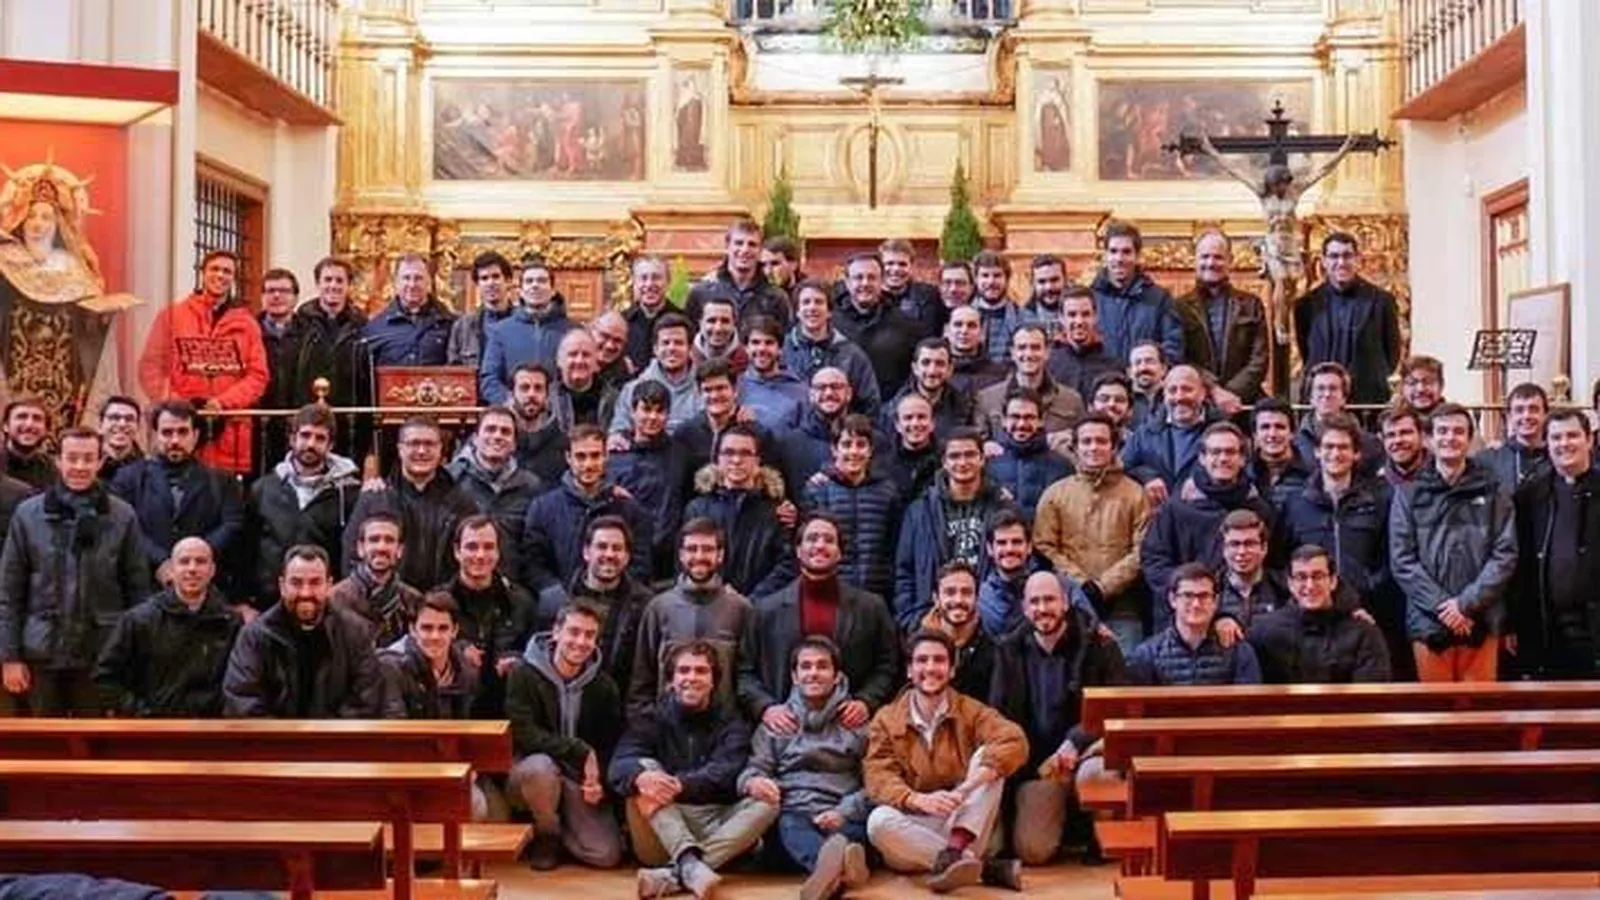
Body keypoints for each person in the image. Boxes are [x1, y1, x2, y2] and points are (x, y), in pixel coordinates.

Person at [610, 640, 778, 899]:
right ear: (671, 680)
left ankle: (680, 871)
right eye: (684, 670)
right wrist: (642, 777)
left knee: (769, 801)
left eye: (701, 671)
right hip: (660, 828)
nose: (692, 677)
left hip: (713, 826)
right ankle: (689, 864)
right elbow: (618, 765)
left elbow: (726, 773)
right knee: (643, 771)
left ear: (713, 681)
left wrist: (679, 784)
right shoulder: (649, 718)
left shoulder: (732, 724)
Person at [863, 630, 1029, 892]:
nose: (930, 668)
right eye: (922, 660)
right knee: (878, 821)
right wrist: (917, 800)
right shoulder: (886, 719)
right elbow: (877, 775)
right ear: (909, 670)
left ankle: (956, 851)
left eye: (939, 660)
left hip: (965, 821)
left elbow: (1014, 740)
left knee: (990, 759)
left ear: (951, 670)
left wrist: (963, 790)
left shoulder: (971, 710)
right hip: (911, 834)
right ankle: (982, 868)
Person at [0, 427, 148, 715]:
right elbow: (9, 593)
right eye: (72, 458)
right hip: (41, 652)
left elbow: (137, 590)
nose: (80, 466)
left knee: (96, 739)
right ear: (58, 461)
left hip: (101, 652)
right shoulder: (28, 514)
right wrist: (10, 657)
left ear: (100, 461)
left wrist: (134, 654)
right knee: (44, 739)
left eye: (88, 458)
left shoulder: (122, 515)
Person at [989, 571, 1125, 868]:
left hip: (1087, 751)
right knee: (1033, 851)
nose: (1042, 608)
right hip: (1042, 765)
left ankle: (1102, 839)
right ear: (1025, 608)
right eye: (1034, 602)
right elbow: (1000, 714)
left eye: (1049, 600)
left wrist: (1075, 741)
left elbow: (1115, 706)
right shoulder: (1009, 650)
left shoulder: (1101, 644)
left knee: (1098, 773)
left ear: (1065, 602)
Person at [738, 514, 901, 735]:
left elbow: (888, 665)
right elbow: (744, 671)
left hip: (849, 734)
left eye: (829, 540)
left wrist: (866, 701)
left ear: (840, 552)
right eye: (812, 538)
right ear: (798, 550)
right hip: (784, 734)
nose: (820, 545)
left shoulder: (871, 608)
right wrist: (766, 708)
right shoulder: (765, 611)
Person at [1390, 402, 1517, 683]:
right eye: (1442, 431)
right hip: (1428, 620)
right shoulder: (1408, 494)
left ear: (1469, 439)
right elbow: (1402, 560)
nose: (1450, 438)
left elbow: (1505, 554)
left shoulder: (1494, 490)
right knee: (1436, 708)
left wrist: (1465, 604)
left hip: (1481, 617)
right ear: (1428, 439)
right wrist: (1442, 606)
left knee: (1479, 708)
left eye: (1458, 431)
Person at [738, 636, 873, 899]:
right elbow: (753, 769)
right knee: (788, 827)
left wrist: (844, 811)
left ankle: (829, 872)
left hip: (843, 812)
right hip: (793, 814)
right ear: (794, 676)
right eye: (806, 666)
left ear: (837, 675)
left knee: (860, 830)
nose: (813, 673)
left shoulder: (856, 723)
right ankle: (838, 868)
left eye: (822, 666)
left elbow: (876, 782)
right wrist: (752, 782)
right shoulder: (777, 722)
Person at [503, 601, 626, 870]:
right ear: (556, 632)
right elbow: (524, 733)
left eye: (589, 635)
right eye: (574, 632)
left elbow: (610, 743)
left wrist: (598, 782)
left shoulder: (604, 685)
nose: (580, 642)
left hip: (576, 775)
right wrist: (579, 749)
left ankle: (562, 825)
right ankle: (547, 834)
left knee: (605, 855)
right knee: (541, 768)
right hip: (530, 769)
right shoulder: (523, 673)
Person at [137, 250, 270, 474]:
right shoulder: (172, 316)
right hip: (180, 430)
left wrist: (223, 403)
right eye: (214, 269)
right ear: (202, 273)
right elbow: (150, 367)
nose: (220, 275)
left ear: (233, 278)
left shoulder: (247, 324)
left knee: (224, 491)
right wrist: (176, 404)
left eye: (227, 271)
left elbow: (258, 376)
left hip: (230, 434)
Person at [1034, 413, 1151, 653]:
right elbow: (1044, 545)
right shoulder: (1056, 494)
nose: (1093, 448)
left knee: (1124, 671)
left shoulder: (1135, 494)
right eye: (1086, 442)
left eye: (1101, 441)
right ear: (1075, 448)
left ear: (1114, 447)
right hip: (1070, 604)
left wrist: (1104, 586)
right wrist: (1080, 582)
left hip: (1123, 606)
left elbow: (1143, 548)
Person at [222, 544, 384, 717]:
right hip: (270, 734)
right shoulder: (255, 636)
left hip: (336, 733)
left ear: (329, 585)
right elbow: (243, 701)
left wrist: (327, 733)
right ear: (282, 586)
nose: (305, 593)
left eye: (315, 583)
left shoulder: (355, 632)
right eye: (296, 583)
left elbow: (365, 700)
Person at [1141, 422, 1275, 628]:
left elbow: (1274, 562)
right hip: (1186, 619)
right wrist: (1189, 592)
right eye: (1215, 452)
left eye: (1230, 452)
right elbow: (1154, 561)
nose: (1223, 458)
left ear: (1242, 459)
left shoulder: (1260, 509)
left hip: (1249, 618)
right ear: (1202, 458)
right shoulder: (1176, 508)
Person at [93, 537, 240, 716]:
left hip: (211, 726)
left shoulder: (231, 622)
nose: (192, 569)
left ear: (212, 570)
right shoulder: (138, 620)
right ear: (171, 569)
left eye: (201, 561)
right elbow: (105, 678)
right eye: (184, 561)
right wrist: (140, 712)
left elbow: (238, 683)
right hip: (150, 726)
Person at [1276, 415, 1395, 634]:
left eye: (1343, 447)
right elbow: (1280, 560)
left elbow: (1387, 561)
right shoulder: (1295, 503)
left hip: (1364, 614)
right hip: (1307, 616)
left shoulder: (1378, 500)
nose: (1335, 454)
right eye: (1329, 447)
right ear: (1317, 452)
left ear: (1356, 454)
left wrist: (1360, 597)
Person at [110, 399, 243, 589]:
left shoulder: (222, 481)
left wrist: (193, 559)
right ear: (155, 435)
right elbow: (123, 526)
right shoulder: (128, 478)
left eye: (182, 432)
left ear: (195, 435)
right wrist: (161, 561)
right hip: (145, 585)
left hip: (206, 587)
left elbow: (232, 524)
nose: (175, 441)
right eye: (167, 432)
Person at [894, 428, 1018, 629]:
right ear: (944, 462)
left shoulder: (1003, 507)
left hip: (991, 623)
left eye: (970, 455)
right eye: (954, 456)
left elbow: (1019, 564)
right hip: (933, 622)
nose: (962, 462)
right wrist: (912, 620)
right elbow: (904, 572)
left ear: (982, 459)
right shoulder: (920, 511)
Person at [628, 518, 753, 714]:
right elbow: (641, 679)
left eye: (707, 549)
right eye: (692, 549)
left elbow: (748, 675)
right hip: (666, 724)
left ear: (720, 555)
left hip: (724, 725)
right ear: (681, 555)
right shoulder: (659, 608)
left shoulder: (740, 608)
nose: (699, 556)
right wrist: (645, 721)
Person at [1511, 409, 1600, 678]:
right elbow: (1518, 563)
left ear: (1589, 440)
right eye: (1556, 437)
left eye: (1572, 435)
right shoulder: (1530, 494)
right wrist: (1511, 622)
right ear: (1546, 443)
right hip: (1547, 628)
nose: (1564, 444)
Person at [245, 404, 362, 608]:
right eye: (305, 435)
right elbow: (245, 548)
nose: (310, 444)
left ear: (330, 445)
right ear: (292, 439)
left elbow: (353, 553)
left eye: (320, 438)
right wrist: (244, 602)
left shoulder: (350, 494)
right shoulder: (263, 489)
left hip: (326, 604)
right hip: (268, 604)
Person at [344, 416, 478, 592]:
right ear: (400, 449)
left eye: (429, 444)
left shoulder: (461, 502)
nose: (421, 451)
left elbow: (473, 556)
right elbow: (352, 558)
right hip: (387, 602)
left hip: (444, 602)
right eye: (414, 443)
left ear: (440, 449)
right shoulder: (375, 499)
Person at [520, 424, 653, 591]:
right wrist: (554, 593)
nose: (588, 464)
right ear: (568, 458)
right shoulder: (543, 508)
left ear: (606, 456)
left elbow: (640, 565)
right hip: (562, 601)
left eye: (595, 456)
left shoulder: (629, 509)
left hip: (616, 601)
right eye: (580, 457)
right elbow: (533, 563)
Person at [532, 515, 650, 691]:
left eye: (617, 548)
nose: (609, 554)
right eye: (602, 546)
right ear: (586, 552)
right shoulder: (554, 601)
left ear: (626, 557)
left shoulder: (644, 605)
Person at [436, 514, 537, 719]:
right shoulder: (437, 604)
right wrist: (456, 651)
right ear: (457, 551)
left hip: (508, 713)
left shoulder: (522, 602)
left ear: (498, 552)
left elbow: (536, 656)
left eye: (489, 547)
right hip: (453, 714)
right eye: (472, 547)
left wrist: (517, 661)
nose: (480, 555)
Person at [682, 424, 796, 601]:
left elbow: (786, 565)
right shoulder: (697, 509)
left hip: (761, 608)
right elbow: (687, 561)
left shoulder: (777, 511)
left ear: (757, 461)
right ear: (718, 459)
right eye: (728, 453)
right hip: (709, 606)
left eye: (745, 453)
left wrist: (752, 600)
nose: (736, 460)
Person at [274, 257, 371, 462]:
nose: (333, 286)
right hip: (306, 415)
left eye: (339, 280)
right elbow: (288, 370)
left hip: (349, 419)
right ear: (318, 284)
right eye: (328, 280)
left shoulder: (362, 326)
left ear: (349, 285)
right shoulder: (299, 323)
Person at [1248, 545, 1391, 683]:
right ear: (1290, 584)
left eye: (1318, 576)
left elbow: (1373, 693)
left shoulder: (1363, 633)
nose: (1310, 586)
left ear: (1333, 581)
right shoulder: (1264, 631)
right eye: (1301, 577)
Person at [1292, 231, 1402, 405]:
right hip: (1322, 400)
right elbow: (1306, 351)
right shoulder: (1306, 305)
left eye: (1347, 256)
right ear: (1324, 261)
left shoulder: (1381, 301)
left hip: (1367, 399)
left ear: (1358, 259)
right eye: (1334, 256)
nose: (1341, 262)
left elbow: (1392, 353)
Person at [800, 416, 902, 600]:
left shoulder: (887, 491)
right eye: (846, 445)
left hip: (877, 595)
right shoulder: (817, 489)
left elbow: (893, 547)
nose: (854, 452)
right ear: (834, 449)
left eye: (861, 445)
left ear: (870, 450)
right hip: (830, 593)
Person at [1127, 563, 1261, 686]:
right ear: (1173, 600)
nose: (1196, 604)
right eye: (1188, 595)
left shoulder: (1239, 652)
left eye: (1204, 596)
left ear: (1215, 601)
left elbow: (1249, 701)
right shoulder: (1147, 654)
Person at [1175, 230, 1268, 404]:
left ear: (1230, 260)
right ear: (1194, 260)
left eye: (1218, 257)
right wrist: (1213, 390)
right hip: (1197, 401)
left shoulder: (1251, 304)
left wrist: (1231, 394)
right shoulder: (1179, 308)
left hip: (1244, 401)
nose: (1211, 263)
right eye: (1205, 257)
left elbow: (1259, 360)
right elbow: (1180, 357)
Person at [479, 257, 579, 403]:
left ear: (553, 290)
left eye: (542, 281)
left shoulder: (573, 331)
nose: (535, 285)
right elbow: (489, 379)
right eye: (529, 281)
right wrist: (511, 402)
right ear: (520, 291)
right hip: (514, 412)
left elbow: (582, 377)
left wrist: (558, 402)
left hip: (560, 411)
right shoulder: (500, 331)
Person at [447, 406, 544, 548]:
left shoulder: (531, 486)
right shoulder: (451, 478)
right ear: (475, 438)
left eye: (505, 432)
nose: (498, 436)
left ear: (514, 444)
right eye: (490, 429)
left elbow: (535, 542)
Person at [978, 324, 1086, 452]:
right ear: (1012, 353)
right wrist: (985, 446)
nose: (1028, 354)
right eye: (1022, 347)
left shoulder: (1071, 401)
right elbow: (976, 444)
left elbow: (1083, 443)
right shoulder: (988, 399)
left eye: (1035, 348)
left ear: (1047, 352)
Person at [1089, 221, 1184, 365]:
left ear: (1137, 255)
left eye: (1126, 252)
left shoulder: (1160, 300)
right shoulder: (1090, 299)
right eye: (1113, 251)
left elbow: (1173, 348)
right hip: (1102, 378)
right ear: (1105, 255)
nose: (1119, 259)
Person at [782, 280, 881, 418]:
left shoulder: (851, 354)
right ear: (797, 311)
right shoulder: (782, 350)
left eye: (819, 302)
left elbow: (870, 403)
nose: (812, 307)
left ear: (829, 311)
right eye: (806, 302)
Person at [377, 591, 479, 722]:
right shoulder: (391, 667)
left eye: (443, 628)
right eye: (427, 628)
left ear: (454, 631)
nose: (435, 636)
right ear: (413, 629)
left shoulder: (466, 671)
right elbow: (394, 725)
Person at [330, 512, 422, 647]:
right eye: (374, 539)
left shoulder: (413, 601)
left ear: (400, 550)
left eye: (389, 540)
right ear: (360, 548)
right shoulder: (335, 600)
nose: (381, 547)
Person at [1122, 365, 1213, 500]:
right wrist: (1147, 476)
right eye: (1172, 390)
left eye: (1187, 389)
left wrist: (1204, 482)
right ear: (1164, 395)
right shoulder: (1145, 433)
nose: (1179, 397)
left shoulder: (1223, 432)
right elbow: (1122, 465)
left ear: (1202, 393)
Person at [833, 253, 917, 399]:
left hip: (888, 406)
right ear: (847, 282)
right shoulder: (831, 321)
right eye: (858, 277)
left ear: (882, 281)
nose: (865, 283)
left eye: (872, 277)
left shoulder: (904, 323)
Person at [685, 218, 792, 333]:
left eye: (752, 244)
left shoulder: (776, 298)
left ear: (761, 250)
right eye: (739, 243)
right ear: (727, 246)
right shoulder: (702, 293)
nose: (745, 250)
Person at [983, 389, 1074, 522]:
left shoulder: (1061, 466)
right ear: (1004, 421)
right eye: (1015, 417)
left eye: (1029, 417)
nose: (1021, 424)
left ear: (1041, 421)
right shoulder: (987, 463)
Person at [611, 313, 702, 436]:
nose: (671, 348)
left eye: (679, 343)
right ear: (655, 349)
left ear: (690, 348)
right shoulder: (631, 390)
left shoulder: (704, 389)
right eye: (665, 343)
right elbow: (618, 432)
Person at [359, 253, 455, 367]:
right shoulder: (375, 329)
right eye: (406, 278)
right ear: (396, 282)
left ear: (429, 281)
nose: (412, 284)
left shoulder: (450, 324)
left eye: (418, 278)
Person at [917, 562, 996, 697]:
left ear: (977, 598)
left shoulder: (994, 651)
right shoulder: (915, 647)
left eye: (966, 593)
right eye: (950, 592)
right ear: (936, 598)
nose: (958, 600)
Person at [1212, 509, 1294, 637]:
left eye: (1249, 544)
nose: (1241, 552)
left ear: (1264, 548)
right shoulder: (1211, 590)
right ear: (1224, 549)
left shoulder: (1284, 588)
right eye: (1234, 544)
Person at [1293, 362, 1384, 477]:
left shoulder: (1369, 443)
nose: (1327, 394)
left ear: (1344, 397)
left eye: (1333, 388)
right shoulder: (1295, 443)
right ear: (1311, 397)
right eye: (1320, 388)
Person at [880, 338, 980, 442]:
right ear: (915, 368)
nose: (932, 371)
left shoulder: (965, 407)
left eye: (939, 364)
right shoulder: (892, 411)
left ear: (950, 369)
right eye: (926, 363)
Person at [1047, 288, 1123, 404]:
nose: (1079, 321)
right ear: (1061, 318)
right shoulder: (1049, 363)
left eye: (1085, 314)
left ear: (1095, 317)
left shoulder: (1113, 365)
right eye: (1072, 315)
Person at [738, 314, 808, 433]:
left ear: (780, 349)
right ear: (746, 348)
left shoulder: (801, 392)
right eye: (755, 342)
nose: (762, 349)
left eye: (769, 343)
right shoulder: (735, 387)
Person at [1476, 382, 1552, 492]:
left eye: (1533, 409)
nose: (1526, 416)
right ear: (1509, 416)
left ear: (1545, 414)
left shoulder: (1556, 457)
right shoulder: (1488, 460)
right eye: (1519, 410)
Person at [450, 250, 517, 370]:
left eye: (496, 277)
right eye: (484, 278)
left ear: (508, 281)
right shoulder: (463, 327)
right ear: (477, 285)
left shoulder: (523, 322)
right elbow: (454, 372)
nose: (490, 283)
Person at [505, 362, 569, 485]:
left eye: (538, 388)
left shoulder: (563, 444)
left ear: (547, 395)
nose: (531, 394)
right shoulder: (496, 440)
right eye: (524, 388)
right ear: (512, 393)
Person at [1246, 397, 1315, 510]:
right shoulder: (1244, 475)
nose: (1272, 434)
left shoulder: (1313, 475)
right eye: (1265, 427)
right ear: (1255, 435)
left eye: (1280, 427)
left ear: (1292, 433)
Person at [549, 329, 618, 431]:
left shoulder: (613, 400)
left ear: (596, 362)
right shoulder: (547, 398)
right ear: (559, 360)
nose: (579, 361)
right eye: (573, 354)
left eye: (586, 355)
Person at [883, 392, 941, 503]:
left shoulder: (945, 462)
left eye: (921, 417)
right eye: (908, 418)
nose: (915, 424)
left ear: (932, 423)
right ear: (897, 425)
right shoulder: (883, 464)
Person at [882, 238, 944, 339]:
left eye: (902, 264)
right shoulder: (872, 298)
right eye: (890, 263)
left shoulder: (929, 296)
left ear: (911, 267)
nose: (896, 269)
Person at [967, 252, 1022, 367]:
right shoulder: (962, 317)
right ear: (976, 279)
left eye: (997, 275)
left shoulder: (1022, 317)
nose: (991, 282)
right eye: (985, 275)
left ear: (1007, 279)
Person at [945, 305, 1009, 396]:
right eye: (958, 325)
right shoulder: (935, 371)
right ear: (947, 330)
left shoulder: (1000, 374)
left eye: (971, 326)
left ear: (982, 332)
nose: (964, 331)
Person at [623, 256, 673, 371]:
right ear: (634, 283)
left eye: (656, 278)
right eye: (643, 278)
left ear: (668, 282)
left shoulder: (683, 321)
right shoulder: (621, 323)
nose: (649, 284)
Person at [690, 295, 747, 376]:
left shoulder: (747, 360)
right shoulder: (686, 358)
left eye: (725, 321)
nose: (718, 329)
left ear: (734, 324)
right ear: (700, 323)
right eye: (711, 321)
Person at [1019, 254, 1067, 341]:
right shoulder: (1020, 320)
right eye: (1042, 281)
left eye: (1054, 280)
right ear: (1032, 283)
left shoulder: (1081, 316)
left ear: (1065, 280)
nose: (1049, 287)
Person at [1379, 403, 1430, 487]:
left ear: (1422, 436)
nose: (1398, 440)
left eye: (1405, 433)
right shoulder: (1374, 485)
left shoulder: (1444, 477)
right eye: (1390, 435)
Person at [96, 395, 144, 481]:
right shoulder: (82, 465)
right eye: (114, 418)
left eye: (129, 419)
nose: (122, 424)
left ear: (138, 427)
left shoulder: (147, 472)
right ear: (100, 425)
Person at [589, 310, 636, 392]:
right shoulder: (573, 364)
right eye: (605, 336)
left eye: (618, 340)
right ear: (591, 331)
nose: (610, 345)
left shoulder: (627, 378)